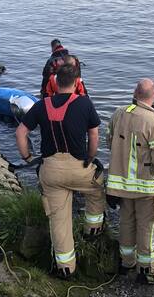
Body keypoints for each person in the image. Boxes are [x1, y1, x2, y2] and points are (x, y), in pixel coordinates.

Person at [16, 63, 106, 279]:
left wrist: (28, 158)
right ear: (77, 82)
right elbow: (94, 136)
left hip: (51, 171)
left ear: (55, 83)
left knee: (58, 219)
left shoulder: (41, 105)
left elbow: (20, 133)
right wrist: (91, 158)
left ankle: (66, 268)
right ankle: (92, 230)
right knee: (97, 187)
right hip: (79, 169)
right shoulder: (85, 103)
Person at [106, 79, 154, 284]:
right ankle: (148, 270)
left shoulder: (119, 113)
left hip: (122, 184)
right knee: (148, 228)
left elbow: (110, 141)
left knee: (126, 224)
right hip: (146, 187)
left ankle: (127, 262)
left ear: (135, 93)